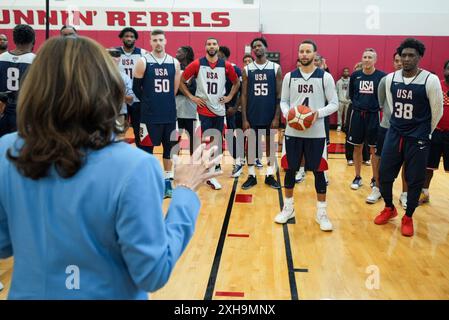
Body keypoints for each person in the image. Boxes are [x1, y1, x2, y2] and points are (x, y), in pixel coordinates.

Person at [0, 35, 222, 299]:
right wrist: (185, 190)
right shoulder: (134, 167)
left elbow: (4, 244)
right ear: (106, 86)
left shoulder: (7, 150)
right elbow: (152, 271)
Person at [374, 38, 443, 237]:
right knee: (384, 174)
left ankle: (408, 216)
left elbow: (436, 111)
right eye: (403, 55)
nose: (406, 59)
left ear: (419, 57)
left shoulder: (430, 80)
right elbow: (388, 104)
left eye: (411, 55)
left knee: (414, 179)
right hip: (395, 133)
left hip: (418, 137)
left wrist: (425, 133)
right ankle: (389, 208)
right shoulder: (390, 79)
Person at [275, 39, 338, 231]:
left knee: (319, 172)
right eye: (301, 51)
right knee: (290, 169)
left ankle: (322, 213)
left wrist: (316, 114)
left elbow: (334, 104)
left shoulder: (324, 77)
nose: (304, 54)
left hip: (316, 133)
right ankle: (288, 209)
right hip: (293, 132)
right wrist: (289, 114)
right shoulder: (289, 77)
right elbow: (284, 101)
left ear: (315, 54)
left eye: (308, 51)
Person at [179, 37, 240, 190]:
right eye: (209, 44)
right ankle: (204, 173)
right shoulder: (197, 64)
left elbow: (236, 82)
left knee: (216, 143)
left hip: (219, 109)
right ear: (205, 46)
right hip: (204, 109)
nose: (211, 46)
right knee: (206, 143)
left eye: (214, 44)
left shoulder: (225, 65)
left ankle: (210, 174)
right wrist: (192, 97)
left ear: (218, 47)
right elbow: (181, 80)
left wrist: (230, 97)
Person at [133, 29, 181, 199]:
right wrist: (148, 102)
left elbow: (174, 89)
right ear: (150, 42)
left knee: (169, 150)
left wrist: (163, 102)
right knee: (147, 151)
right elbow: (135, 88)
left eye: (161, 39)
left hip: (169, 115)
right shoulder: (143, 61)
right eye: (155, 40)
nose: (158, 43)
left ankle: (168, 182)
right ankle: (149, 182)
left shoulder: (174, 62)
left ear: (165, 41)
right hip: (148, 117)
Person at [240, 37, 282, 189]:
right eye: (254, 47)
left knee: (270, 146)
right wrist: (244, 118)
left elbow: (279, 95)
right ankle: (251, 176)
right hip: (252, 114)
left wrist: (277, 116)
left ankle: (270, 175)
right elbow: (243, 95)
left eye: (260, 45)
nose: (257, 48)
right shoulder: (247, 69)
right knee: (250, 146)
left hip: (270, 114)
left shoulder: (275, 68)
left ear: (266, 47)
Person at [347, 48, 386, 205]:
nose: (367, 59)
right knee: (357, 147)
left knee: (374, 150)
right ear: (361, 59)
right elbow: (351, 94)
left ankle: (375, 180)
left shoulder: (381, 76)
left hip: (374, 116)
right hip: (357, 115)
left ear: (375, 60)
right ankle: (357, 177)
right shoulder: (355, 75)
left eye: (370, 57)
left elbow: (384, 97)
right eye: (365, 57)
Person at [376, 52, 408, 208]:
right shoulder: (386, 80)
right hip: (387, 127)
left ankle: (405, 193)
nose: (400, 63)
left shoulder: (417, 83)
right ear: (393, 62)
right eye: (397, 60)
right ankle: (377, 188)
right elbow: (381, 102)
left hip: (408, 131)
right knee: (380, 158)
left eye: (402, 60)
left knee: (407, 163)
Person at [419, 60, 449, 204]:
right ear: (444, 70)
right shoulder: (437, 85)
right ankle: (424, 193)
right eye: (448, 69)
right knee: (428, 166)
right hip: (435, 131)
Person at [0, 24, 35, 138]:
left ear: (14, 40)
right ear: (33, 40)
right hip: (24, 112)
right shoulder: (36, 60)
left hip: (3, 111)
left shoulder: (1, 58)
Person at [116, 27, 147, 148]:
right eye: (126, 36)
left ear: (135, 39)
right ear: (122, 38)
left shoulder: (143, 53)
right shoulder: (114, 52)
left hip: (137, 97)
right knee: (118, 129)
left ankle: (141, 153)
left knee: (138, 129)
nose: (129, 38)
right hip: (119, 97)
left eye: (131, 36)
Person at [218, 46, 243, 174]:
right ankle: (216, 164)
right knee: (215, 135)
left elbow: (241, 90)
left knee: (230, 136)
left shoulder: (235, 69)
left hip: (230, 109)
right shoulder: (213, 68)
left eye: (219, 54)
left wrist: (235, 107)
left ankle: (238, 162)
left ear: (224, 55)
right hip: (215, 108)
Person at [107, 48, 135, 133]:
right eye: (111, 57)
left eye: (116, 57)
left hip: (120, 113)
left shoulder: (125, 77)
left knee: (119, 139)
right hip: (101, 113)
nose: (114, 59)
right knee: (100, 140)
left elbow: (131, 98)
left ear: (119, 59)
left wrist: (117, 95)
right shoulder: (98, 75)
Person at [176, 46, 197, 156]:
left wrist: (179, 87)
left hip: (191, 110)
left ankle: (194, 162)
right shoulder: (175, 67)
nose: (176, 53)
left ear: (186, 53)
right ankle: (173, 166)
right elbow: (172, 90)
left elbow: (195, 90)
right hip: (176, 109)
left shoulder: (194, 68)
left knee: (193, 138)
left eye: (179, 52)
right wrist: (183, 87)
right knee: (175, 138)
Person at [336, 67, 351, 131]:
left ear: (349, 73)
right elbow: (336, 92)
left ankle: (345, 125)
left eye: (347, 71)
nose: (346, 72)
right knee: (339, 114)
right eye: (344, 71)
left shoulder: (351, 81)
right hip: (340, 101)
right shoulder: (339, 82)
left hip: (348, 101)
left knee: (347, 115)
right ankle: (339, 125)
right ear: (343, 73)